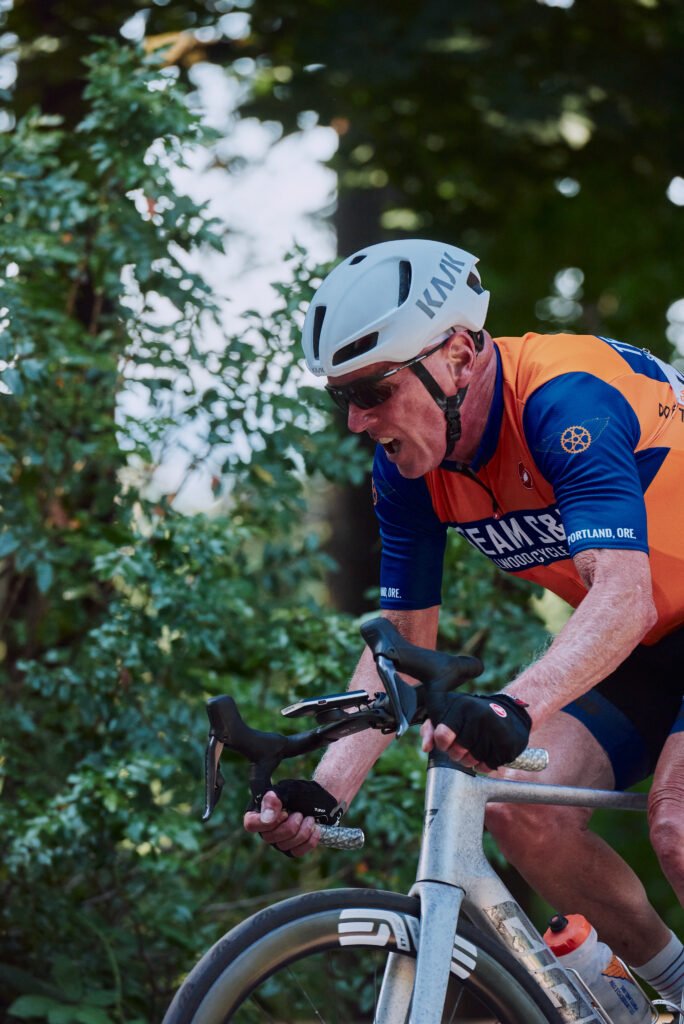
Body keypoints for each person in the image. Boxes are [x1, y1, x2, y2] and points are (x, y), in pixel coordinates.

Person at [244, 238, 684, 1006]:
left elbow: (623, 595)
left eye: (374, 389)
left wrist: (513, 706)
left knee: (676, 823)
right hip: (654, 637)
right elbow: (401, 645)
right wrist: (324, 792)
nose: (357, 420)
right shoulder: (412, 466)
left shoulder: (565, 398)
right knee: (516, 804)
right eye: (343, 396)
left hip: (637, 610)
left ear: (456, 353)